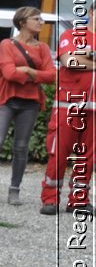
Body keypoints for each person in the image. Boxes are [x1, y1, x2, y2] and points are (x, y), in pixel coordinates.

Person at [0, 6, 56, 204]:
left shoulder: (43, 48)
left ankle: (14, 190)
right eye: (36, 19)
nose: (41, 22)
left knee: (21, 147)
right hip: (6, 101)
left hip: (30, 103)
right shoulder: (7, 44)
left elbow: (52, 76)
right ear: (22, 22)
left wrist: (27, 70)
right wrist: (35, 75)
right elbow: (8, 73)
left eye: (41, 19)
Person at [42, 17, 94, 215]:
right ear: (92, 12)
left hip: (94, 109)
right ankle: (50, 199)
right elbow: (69, 61)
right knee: (59, 153)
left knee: (87, 158)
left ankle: (78, 201)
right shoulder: (73, 34)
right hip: (68, 105)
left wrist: (87, 58)